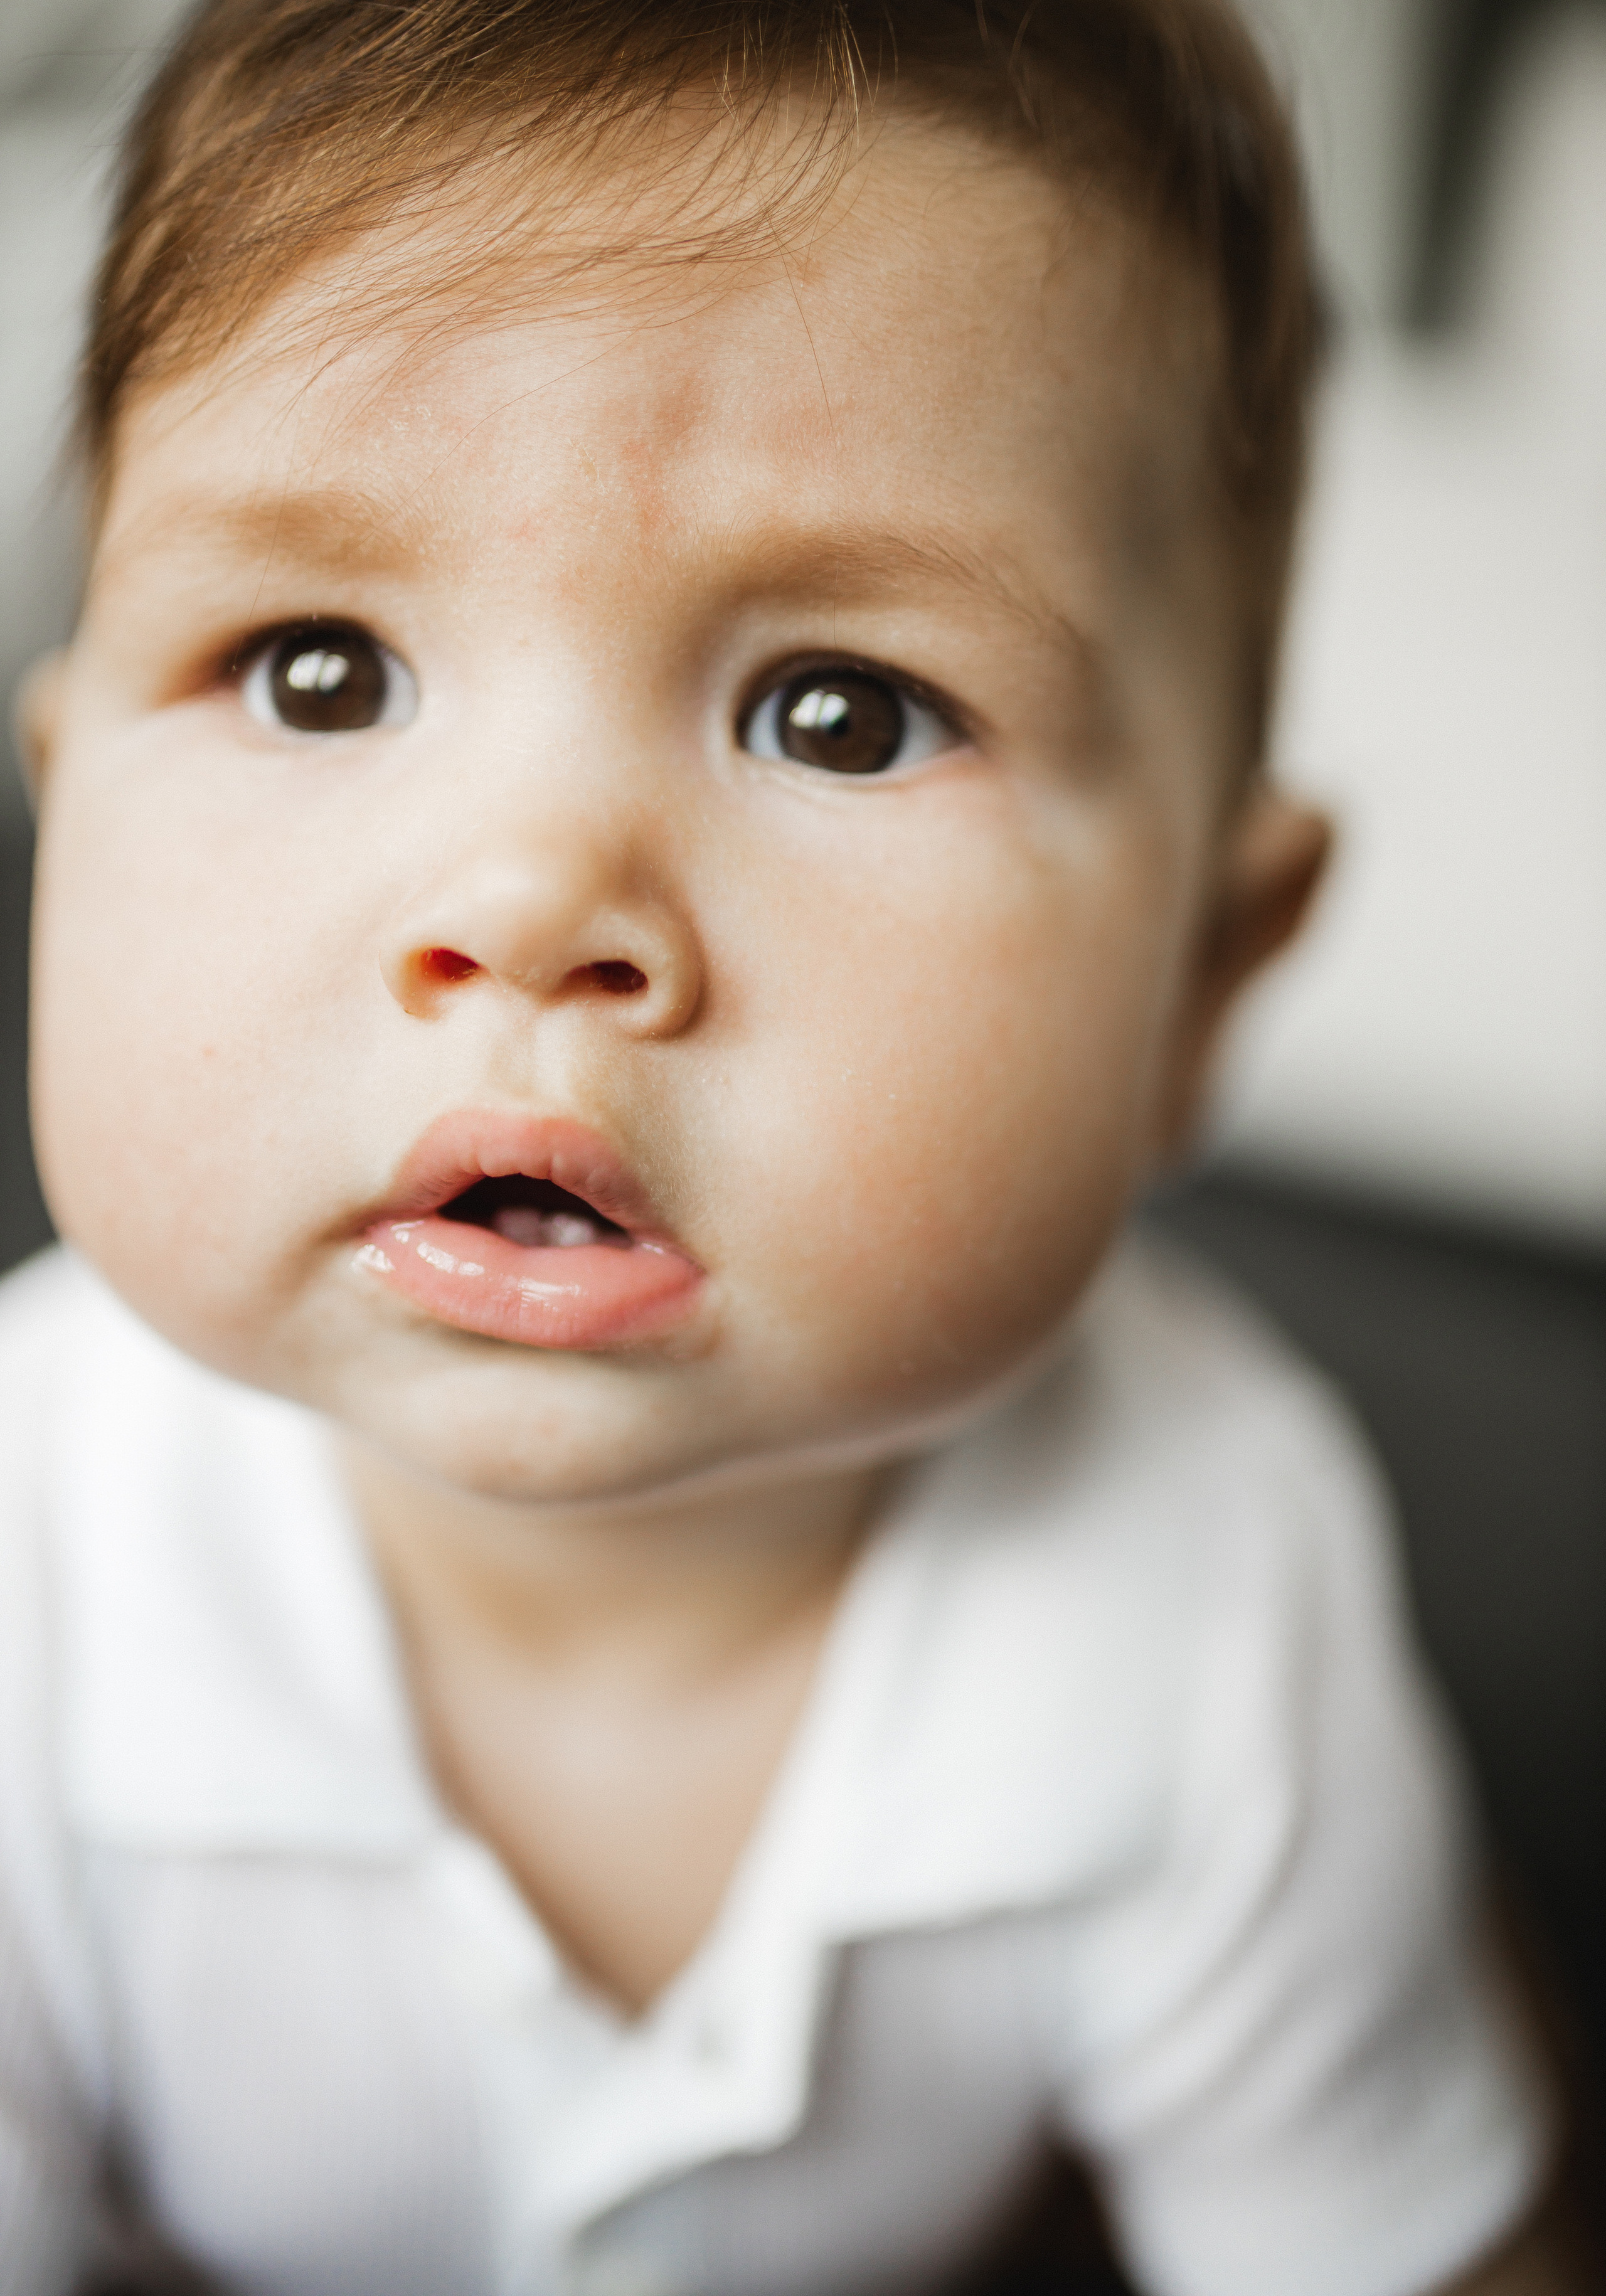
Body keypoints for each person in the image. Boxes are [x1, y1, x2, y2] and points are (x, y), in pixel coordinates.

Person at [0, 2, 1582, 2290]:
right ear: (65, 815)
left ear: (1201, 989)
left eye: (841, 713)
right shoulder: (36, 1561)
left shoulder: (1217, 1582)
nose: (528, 900)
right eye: (318, 666)